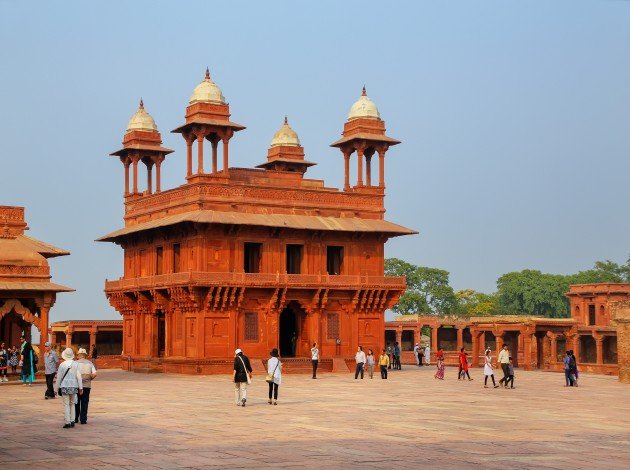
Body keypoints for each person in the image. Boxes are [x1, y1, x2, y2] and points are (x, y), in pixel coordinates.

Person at [55, 347, 83, 428]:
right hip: (74, 386)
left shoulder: (62, 365)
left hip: (64, 386)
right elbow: (79, 377)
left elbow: (59, 378)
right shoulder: (76, 364)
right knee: (72, 404)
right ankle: (72, 420)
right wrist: (81, 388)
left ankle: (67, 422)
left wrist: (55, 389)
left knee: (66, 404)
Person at [75, 348, 97, 424]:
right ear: (85, 355)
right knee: (85, 402)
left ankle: (75, 418)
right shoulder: (90, 363)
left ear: (78, 355)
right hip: (87, 386)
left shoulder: (75, 363)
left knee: (76, 402)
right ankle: (83, 419)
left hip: (77, 385)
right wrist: (89, 378)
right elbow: (95, 374)